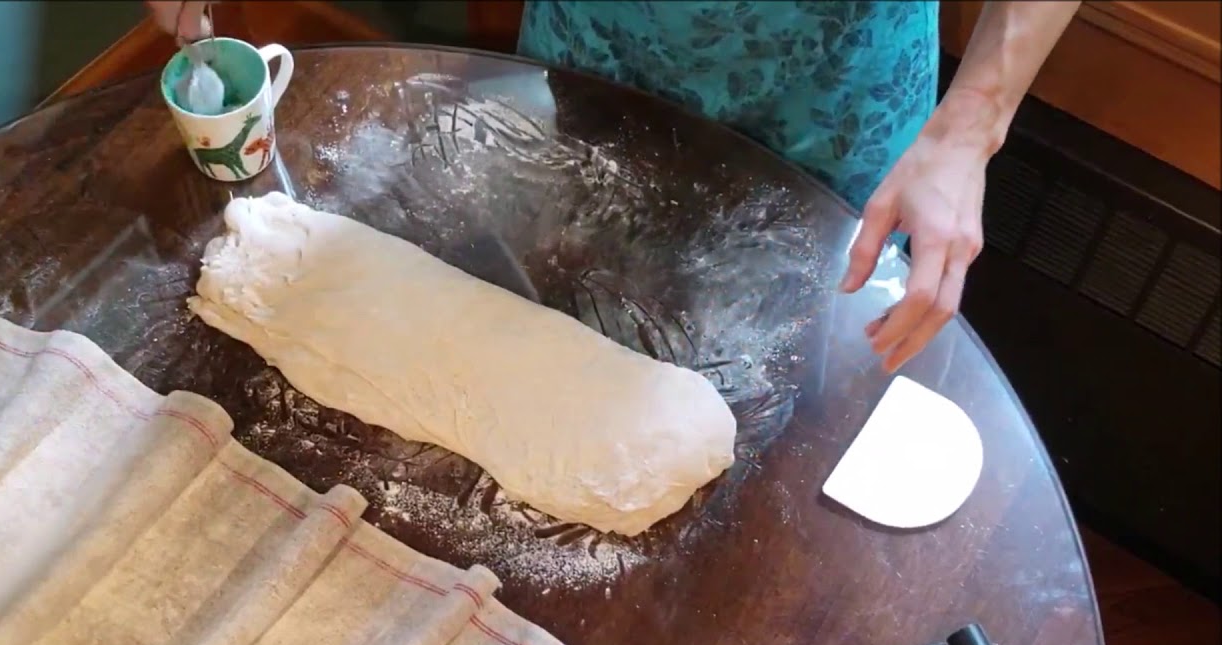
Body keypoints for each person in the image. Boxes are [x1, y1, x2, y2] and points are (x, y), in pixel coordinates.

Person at [147, 1, 1079, 373]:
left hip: (822, 103)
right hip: (603, 50)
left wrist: (970, 127)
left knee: (778, 388)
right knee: (571, 342)